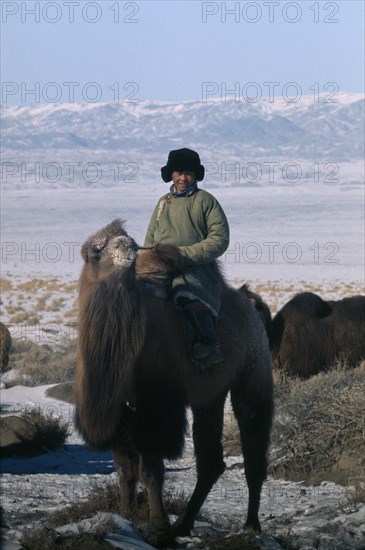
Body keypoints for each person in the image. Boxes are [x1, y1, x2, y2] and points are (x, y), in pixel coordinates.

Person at [144, 148, 230, 371]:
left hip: (195, 268)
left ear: (196, 175)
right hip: (160, 266)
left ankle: (210, 344)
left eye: (189, 173)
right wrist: (149, 260)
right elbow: (150, 237)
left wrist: (184, 255)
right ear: (171, 174)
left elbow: (219, 239)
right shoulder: (163, 203)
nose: (183, 178)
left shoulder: (206, 201)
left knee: (185, 292)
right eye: (178, 172)